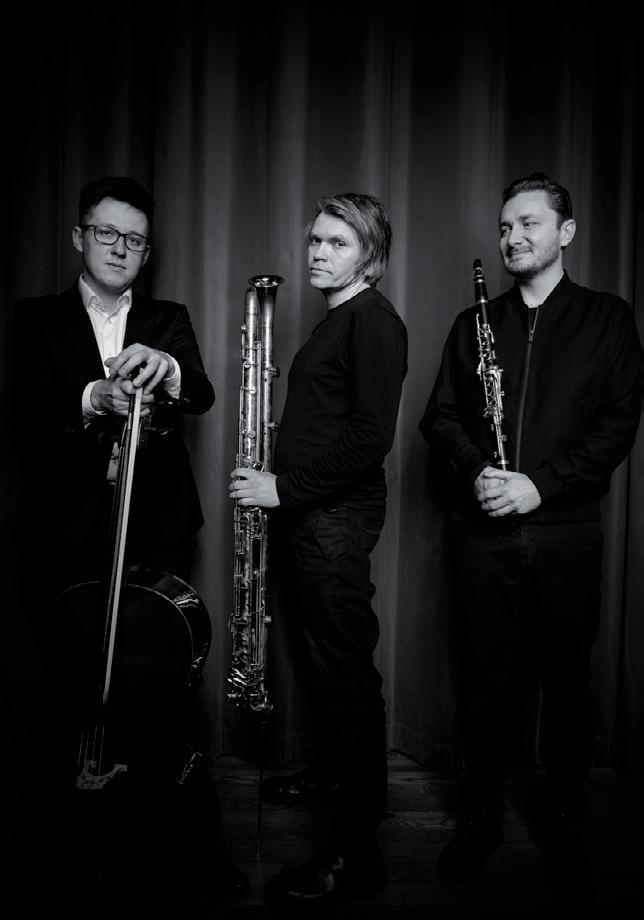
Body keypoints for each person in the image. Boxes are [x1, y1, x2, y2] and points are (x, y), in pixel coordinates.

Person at [7, 176, 246, 908]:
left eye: (134, 240)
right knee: (62, 684)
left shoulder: (168, 318)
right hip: (62, 532)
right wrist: (92, 397)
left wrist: (166, 370)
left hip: (155, 529)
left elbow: (200, 390)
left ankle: (175, 844)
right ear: (79, 237)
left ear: (147, 252)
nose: (119, 248)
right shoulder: (33, 319)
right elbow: (20, 401)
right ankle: (59, 843)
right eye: (107, 233)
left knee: (160, 682)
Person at [419, 172, 642, 903]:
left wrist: (540, 484)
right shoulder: (473, 323)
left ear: (565, 232)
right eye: (505, 226)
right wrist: (479, 471)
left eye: (529, 224)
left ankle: (565, 820)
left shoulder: (607, 319)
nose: (512, 237)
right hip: (482, 533)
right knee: (483, 680)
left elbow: (616, 425)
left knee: (567, 683)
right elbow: (439, 418)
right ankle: (481, 816)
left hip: (566, 531)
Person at [229, 192, 408, 909]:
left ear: (369, 255)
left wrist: (283, 488)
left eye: (337, 242)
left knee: (346, 682)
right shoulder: (339, 320)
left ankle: (356, 859)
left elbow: (370, 438)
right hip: (313, 517)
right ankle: (332, 774)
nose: (318, 253)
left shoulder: (374, 321)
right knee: (321, 665)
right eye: (315, 240)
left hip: (333, 520)